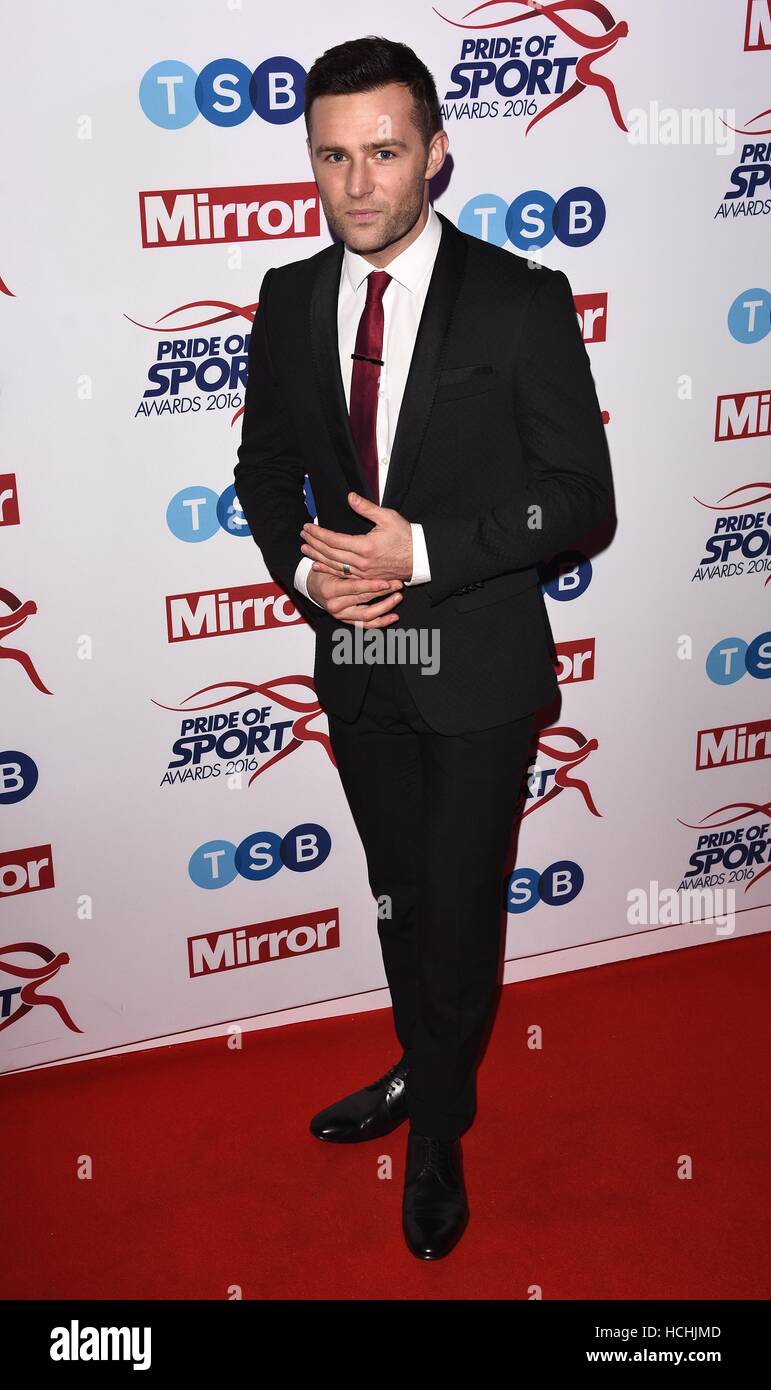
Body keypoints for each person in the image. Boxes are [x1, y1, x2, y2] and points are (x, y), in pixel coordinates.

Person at [234, 34, 613, 1260]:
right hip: (363, 669)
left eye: (384, 152)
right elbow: (263, 471)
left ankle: (439, 1128)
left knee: (457, 904)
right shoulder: (290, 300)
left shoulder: (519, 298)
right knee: (402, 897)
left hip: (481, 668)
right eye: (333, 156)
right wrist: (309, 577)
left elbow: (581, 497)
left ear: (436, 154)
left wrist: (427, 553)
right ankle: (421, 1064)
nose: (357, 183)